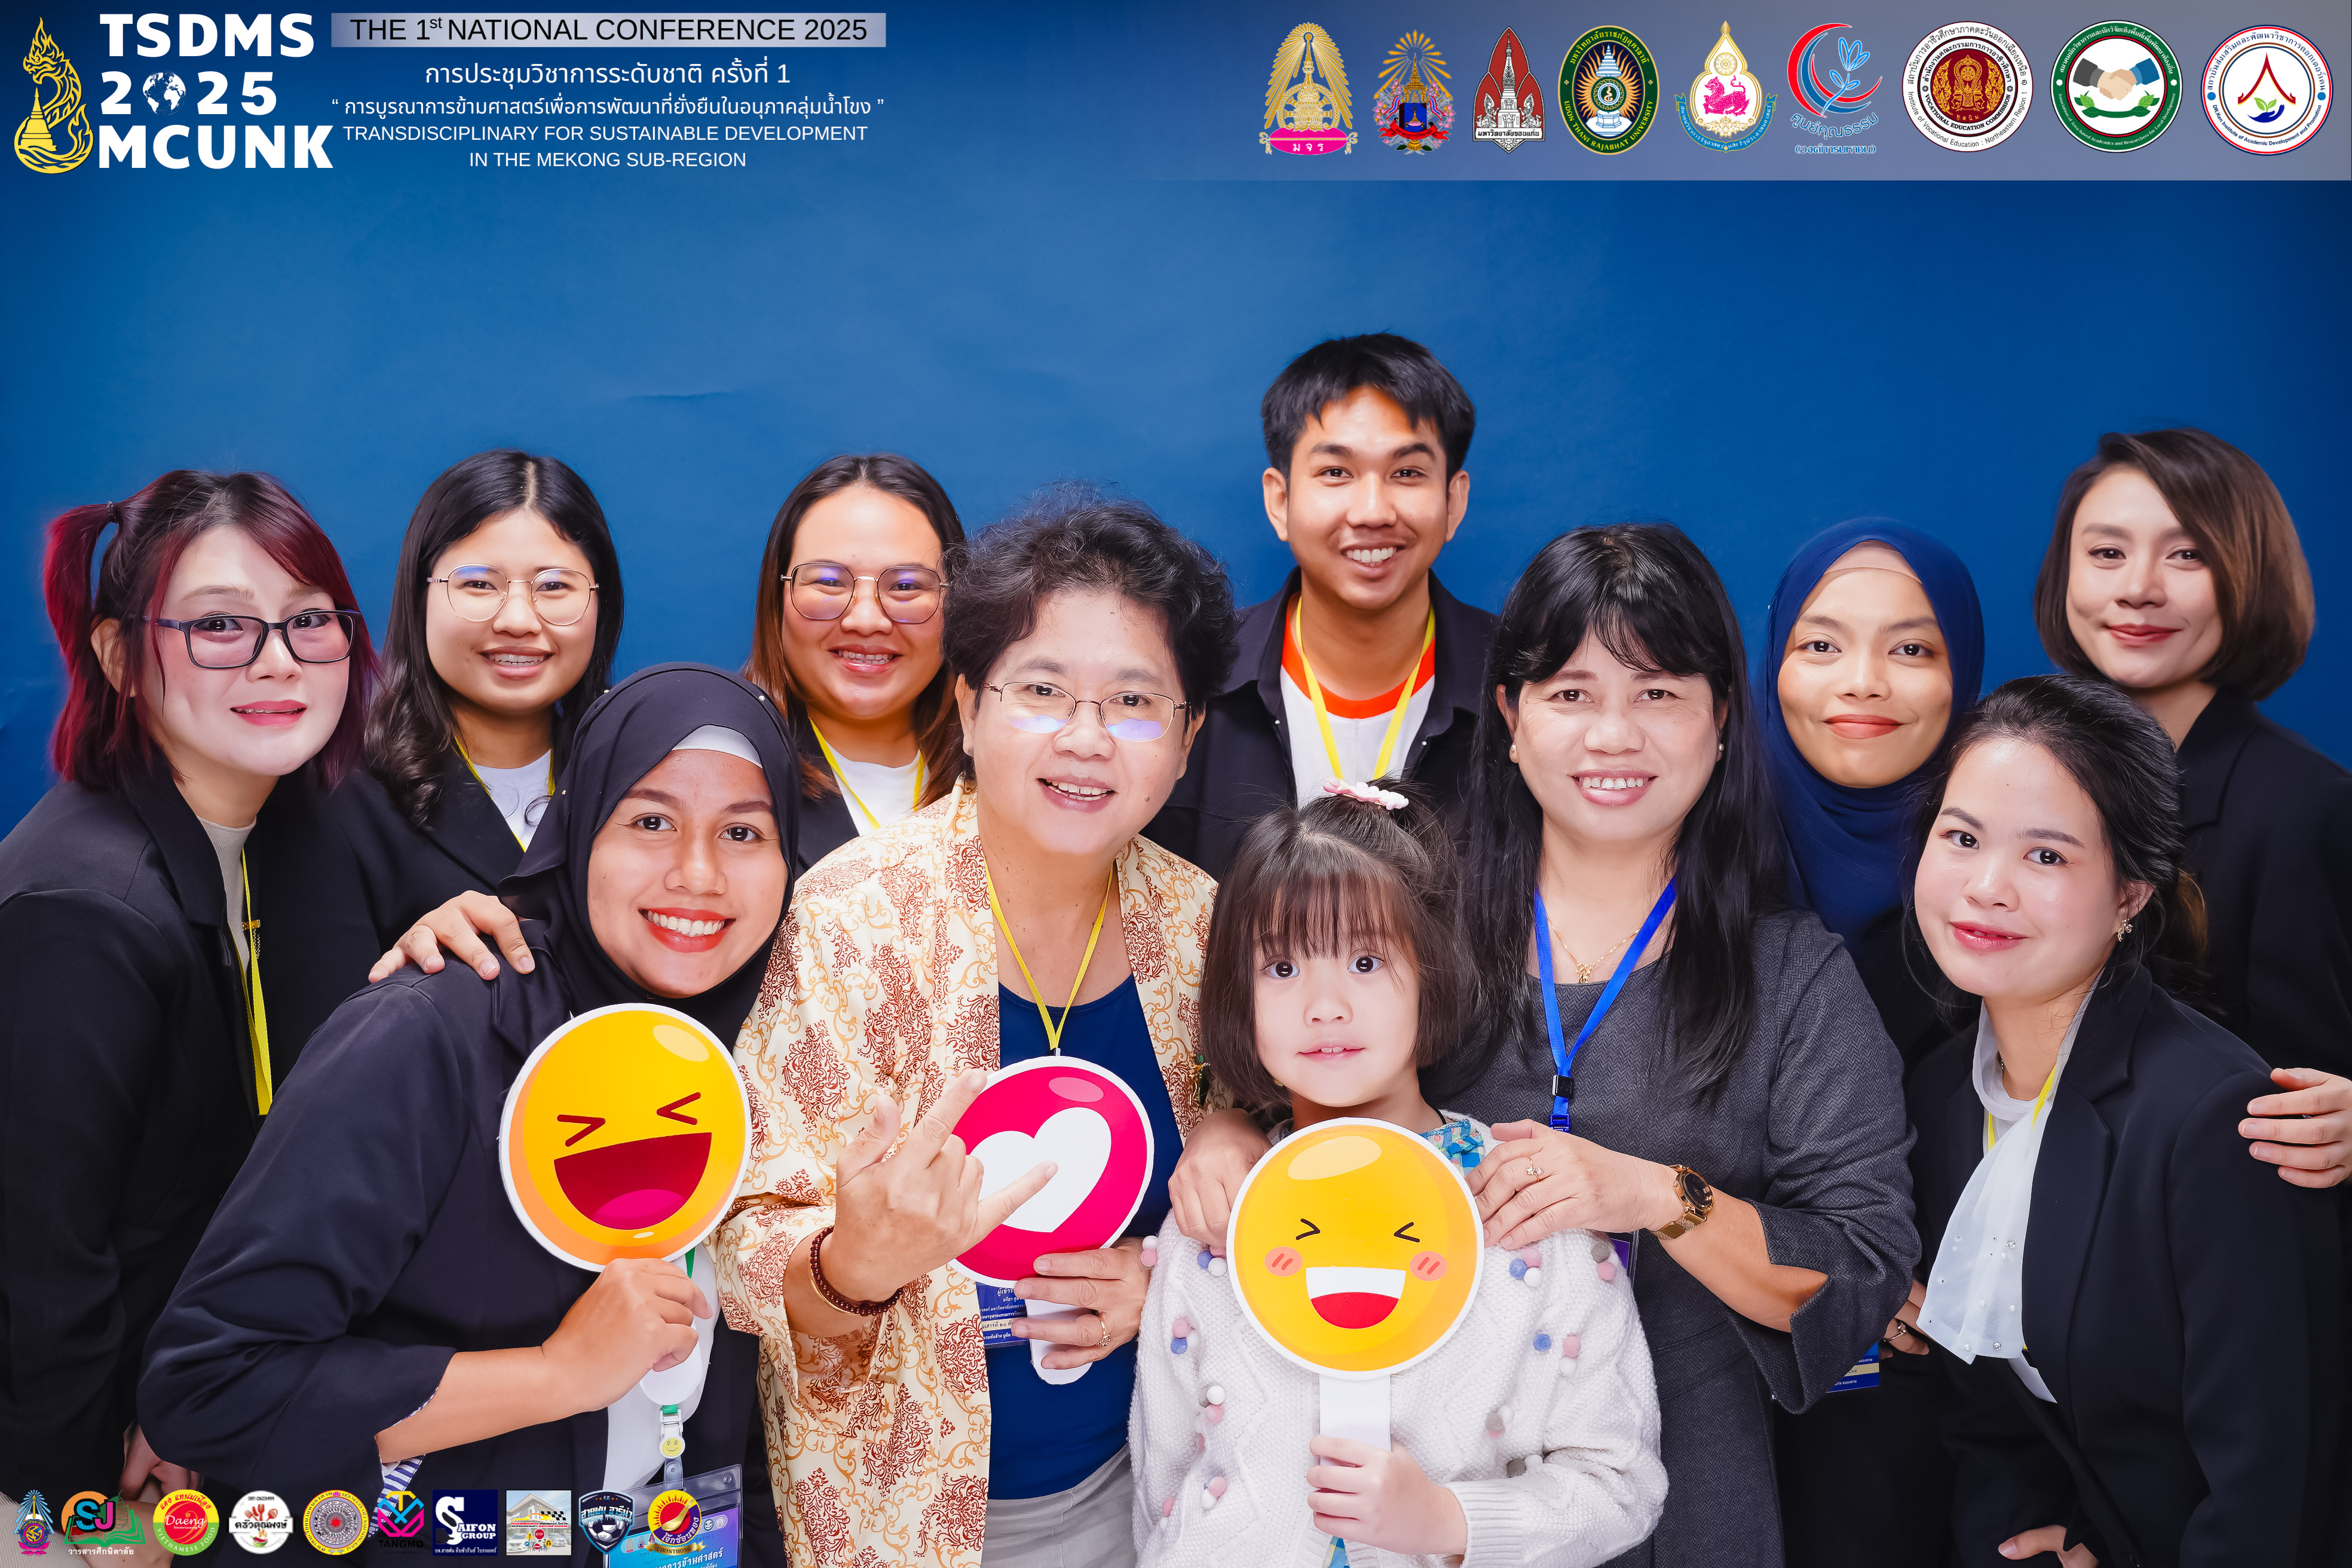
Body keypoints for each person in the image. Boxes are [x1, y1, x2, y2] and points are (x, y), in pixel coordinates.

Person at [1167, 523, 1918, 1567]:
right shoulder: (1415, 919)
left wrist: (1657, 1196)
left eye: (1657, 693)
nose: (1613, 733)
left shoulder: (1793, 976)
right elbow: (1296, 1053)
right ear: (1512, 719)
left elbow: (1861, 1272)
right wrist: (1223, 1128)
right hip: (1424, 1504)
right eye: (1571, 692)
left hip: (1693, 1504)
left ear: (1720, 721)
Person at [713, 486, 1241, 1568]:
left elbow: (1277, 1185)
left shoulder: (1208, 927)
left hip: (1161, 1492)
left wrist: (1170, 1284)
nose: (1086, 738)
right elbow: (743, 1241)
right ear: (966, 705)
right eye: (1041, 690)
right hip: (896, 1509)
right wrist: (850, 1264)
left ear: (1187, 739)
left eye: (1134, 701)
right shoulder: (850, 917)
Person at [138, 665, 794, 1519]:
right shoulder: (431, 1033)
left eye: (743, 832)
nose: (698, 874)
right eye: (650, 820)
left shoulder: (776, 1052)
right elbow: (207, 1387)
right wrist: (555, 1374)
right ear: (581, 827)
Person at [1132, 784, 1665, 1567]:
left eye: (1365, 960)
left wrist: (1451, 1521)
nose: (1324, 1005)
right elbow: (1162, 1488)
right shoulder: (1213, 1215)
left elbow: (1620, 1484)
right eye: (1281, 965)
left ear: (1434, 970)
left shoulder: (1523, 1205)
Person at [1897, 675, 2342, 1567]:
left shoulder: (2212, 1117)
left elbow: (2270, 1482)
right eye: (1963, 837)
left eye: (2047, 856)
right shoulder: (1942, 1094)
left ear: (2132, 895)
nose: (1987, 887)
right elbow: (1994, 1418)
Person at [1, 471, 373, 1530]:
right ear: (119, 657)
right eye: (218, 625)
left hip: (176, 1434)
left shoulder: (263, 841)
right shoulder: (86, 913)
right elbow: (40, 1276)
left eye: (309, 620)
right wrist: (83, 1511)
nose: (277, 659)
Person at [2035, 428, 2352, 1189]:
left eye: (2187, 555)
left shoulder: (2305, 808)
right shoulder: (2029, 769)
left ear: (2249, 575)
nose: (2139, 588)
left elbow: (2304, 1097)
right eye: (2107, 552)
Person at [1754, 521, 1982, 1568]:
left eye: (1912, 648)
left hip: (1948, 1393)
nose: (1863, 682)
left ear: (1962, 671)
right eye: (1821, 644)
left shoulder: (2014, 880)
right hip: (1703, 1360)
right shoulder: (1693, 854)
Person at [261, 449, 624, 1054]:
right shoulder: (329, 801)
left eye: (554, 586)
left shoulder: (638, 782)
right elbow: (319, 1065)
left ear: (600, 605)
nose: (518, 619)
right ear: (420, 595)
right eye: (479, 583)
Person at [1146, 334, 1495, 880]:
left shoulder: (1523, 685)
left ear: (1454, 501)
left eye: (1407, 473)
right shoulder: (1187, 679)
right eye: (1336, 472)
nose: (1373, 511)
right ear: (1280, 500)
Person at [745, 452, 966, 872]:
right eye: (829, 581)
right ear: (777, 597)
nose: (866, 620)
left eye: (906, 586)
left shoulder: (1010, 772)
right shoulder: (720, 762)